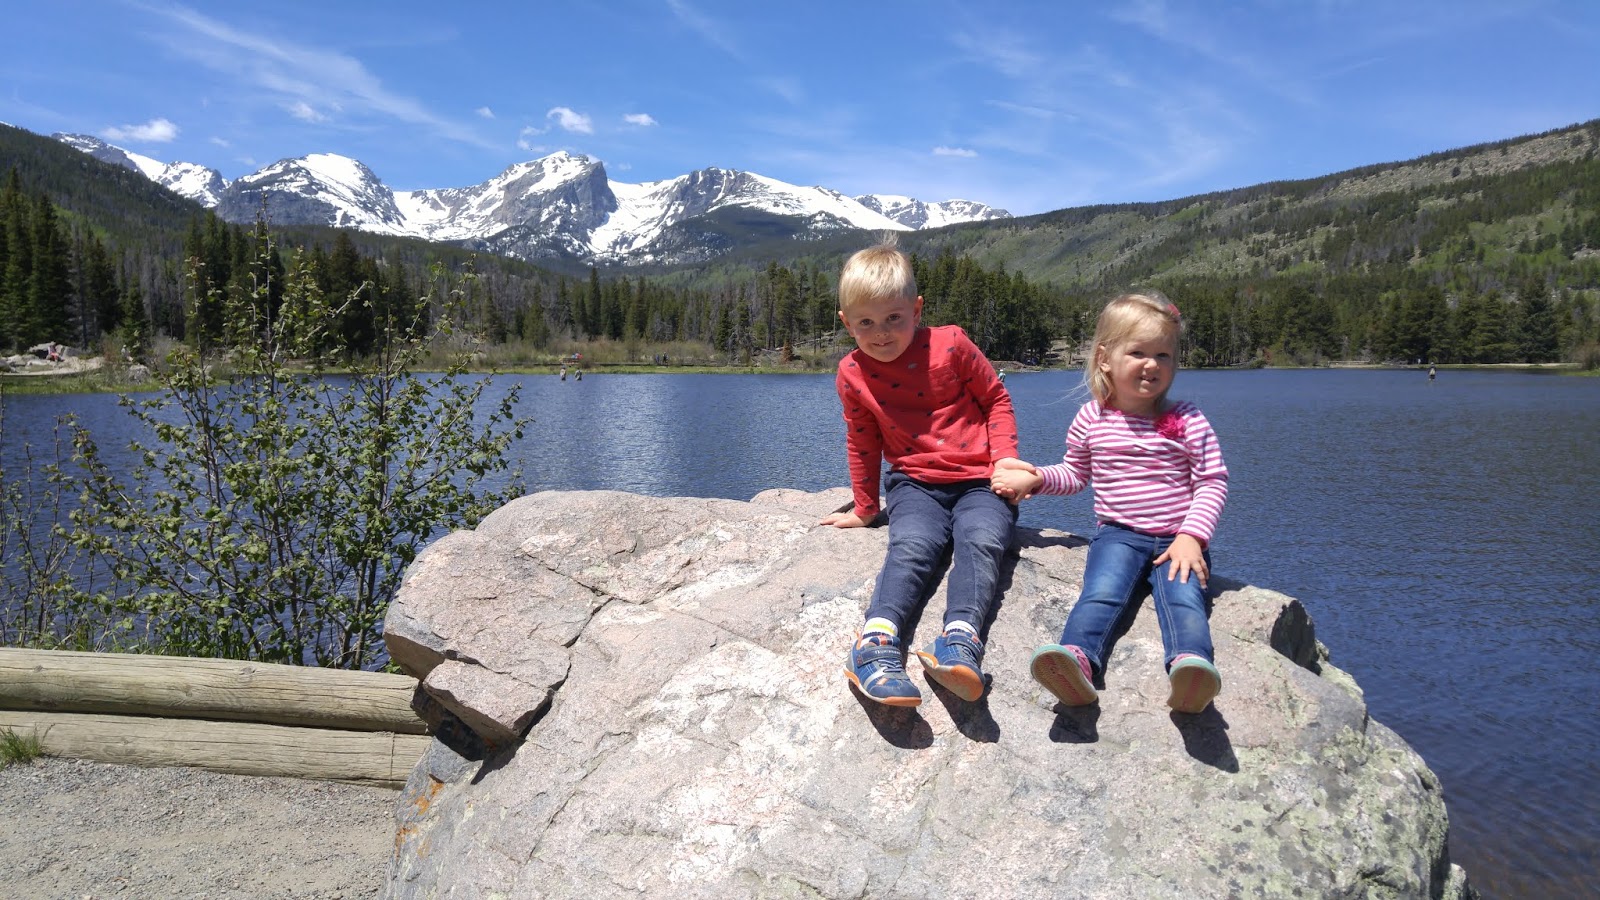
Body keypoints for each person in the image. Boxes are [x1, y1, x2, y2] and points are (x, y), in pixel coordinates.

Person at [992, 292, 1229, 714]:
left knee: (1184, 600)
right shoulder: (1092, 418)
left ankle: (1191, 670)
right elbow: (1075, 474)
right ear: (1105, 358)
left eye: (1163, 355)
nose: (1152, 364)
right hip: (1118, 535)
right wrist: (1037, 478)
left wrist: (1193, 538)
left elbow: (1212, 482)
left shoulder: (1187, 419)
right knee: (1101, 594)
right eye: (1138, 352)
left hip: (1177, 540)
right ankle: (1077, 660)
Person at [821, 238, 1028, 707]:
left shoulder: (951, 344)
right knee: (913, 545)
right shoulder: (852, 372)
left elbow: (996, 399)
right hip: (915, 484)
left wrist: (1006, 462)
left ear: (916, 309)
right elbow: (863, 440)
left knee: (982, 541)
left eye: (894, 318)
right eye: (866, 323)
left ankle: (960, 641)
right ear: (846, 323)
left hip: (982, 482)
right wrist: (865, 508)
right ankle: (875, 645)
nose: (881, 333)